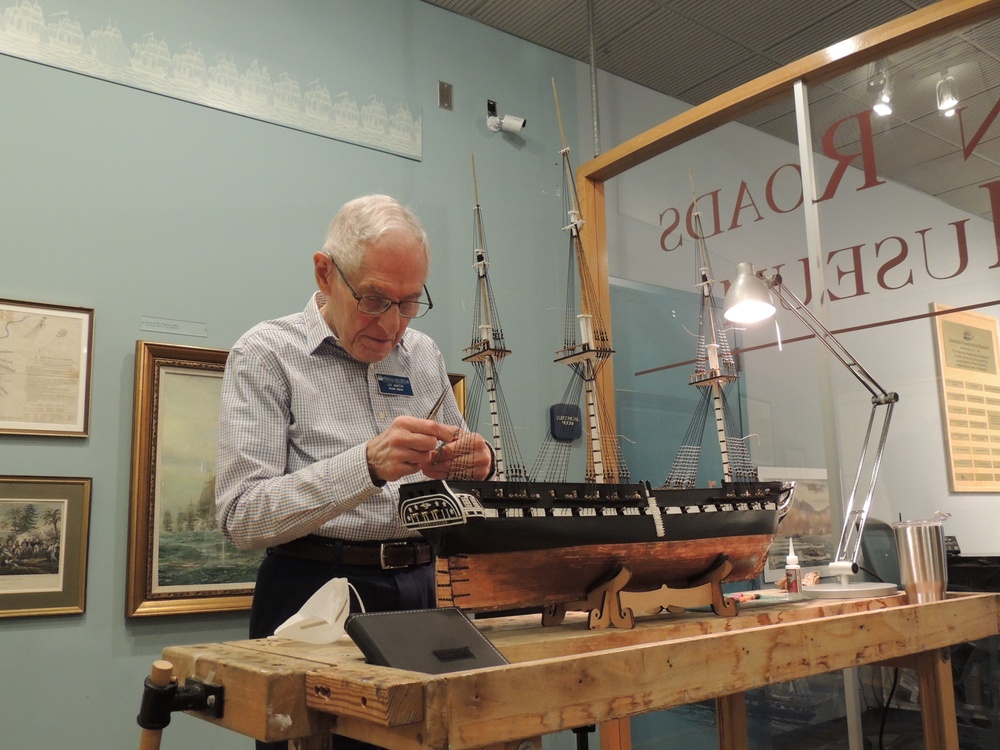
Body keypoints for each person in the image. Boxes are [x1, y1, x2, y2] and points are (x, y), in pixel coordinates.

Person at [215, 194, 494, 750]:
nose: (391, 325)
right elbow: (242, 516)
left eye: (409, 303)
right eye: (374, 299)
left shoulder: (423, 354)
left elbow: (455, 473)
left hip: (420, 588)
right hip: (311, 593)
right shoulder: (266, 354)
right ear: (325, 273)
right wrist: (365, 465)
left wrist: (474, 467)